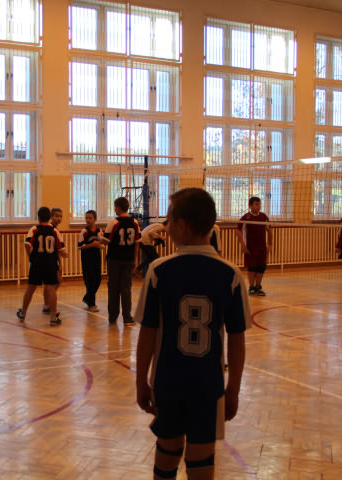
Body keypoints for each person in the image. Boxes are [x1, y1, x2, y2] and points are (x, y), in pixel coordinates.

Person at [135, 188, 250, 480]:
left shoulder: (159, 271)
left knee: (167, 453)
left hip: (168, 382)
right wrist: (233, 388)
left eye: (168, 220)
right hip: (208, 384)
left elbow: (147, 335)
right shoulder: (231, 274)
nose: (165, 226)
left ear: (183, 226)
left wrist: (140, 381)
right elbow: (237, 340)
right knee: (202, 461)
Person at [17, 207, 67, 326]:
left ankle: (23, 313)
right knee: (51, 289)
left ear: (38, 217)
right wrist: (64, 255)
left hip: (37, 263)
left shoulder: (34, 229)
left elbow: (27, 244)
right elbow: (61, 250)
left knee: (30, 289)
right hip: (50, 264)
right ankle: (53, 317)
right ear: (49, 217)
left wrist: (30, 257)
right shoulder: (54, 231)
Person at [103, 197, 141, 327]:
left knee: (113, 288)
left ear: (118, 207)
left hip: (114, 260)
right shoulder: (135, 222)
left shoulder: (114, 222)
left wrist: (99, 237)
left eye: (115, 207)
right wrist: (134, 260)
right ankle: (127, 318)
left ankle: (113, 316)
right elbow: (137, 243)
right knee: (126, 288)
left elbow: (106, 241)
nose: (114, 209)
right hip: (129, 260)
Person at [236, 196, 273, 296]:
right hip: (250, 247)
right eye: (256, 204)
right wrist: (242, 244)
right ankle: (251, 287)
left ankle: (258, 286)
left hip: (262, 247)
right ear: (250, 206)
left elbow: (269, 230)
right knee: (252, 267)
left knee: (262, 267)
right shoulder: (246, 217)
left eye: (259, 204)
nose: (259, 206)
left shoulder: (263, 216)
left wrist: (270, 244)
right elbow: (238, 230)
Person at [78, 210, 104, 312]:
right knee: (90, 281)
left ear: (95, 219)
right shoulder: (84, 232)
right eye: (86, 218)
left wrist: (100, 245)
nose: (88, 220)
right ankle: (91, 304)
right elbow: (80, 246)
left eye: (90, 218)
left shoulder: (99, 230)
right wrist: (92, 245)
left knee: (97, 280)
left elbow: (101, 242)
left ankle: (87, 297)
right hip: (86, 259)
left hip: (96, 257)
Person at [43, 207, 64, 313]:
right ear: (51, 217)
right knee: (53, 283)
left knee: (53, 283)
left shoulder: (55, 229)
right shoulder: (51, 230)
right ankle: (47, 304)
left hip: (53, 260)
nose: (59, 218)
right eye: (56, 216)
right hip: (50, 261)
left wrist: (60, 263)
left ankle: (47, 304)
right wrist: (60, 263)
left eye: (60, 216)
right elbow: (59, 250)